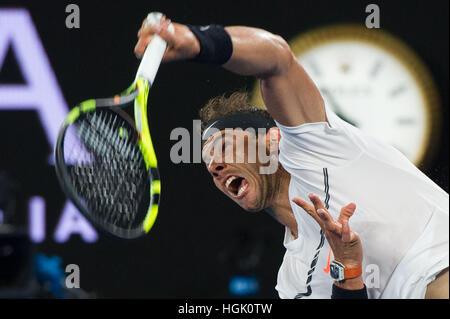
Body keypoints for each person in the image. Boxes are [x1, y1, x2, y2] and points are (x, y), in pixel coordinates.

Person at [134, 15, 449, 299]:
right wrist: (347, 270)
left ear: (273, 140)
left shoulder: (316, 146)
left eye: (226, 146)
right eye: (209, 167)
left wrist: (197, 41)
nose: (215, 167)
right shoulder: (292, 281)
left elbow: (276, 59)